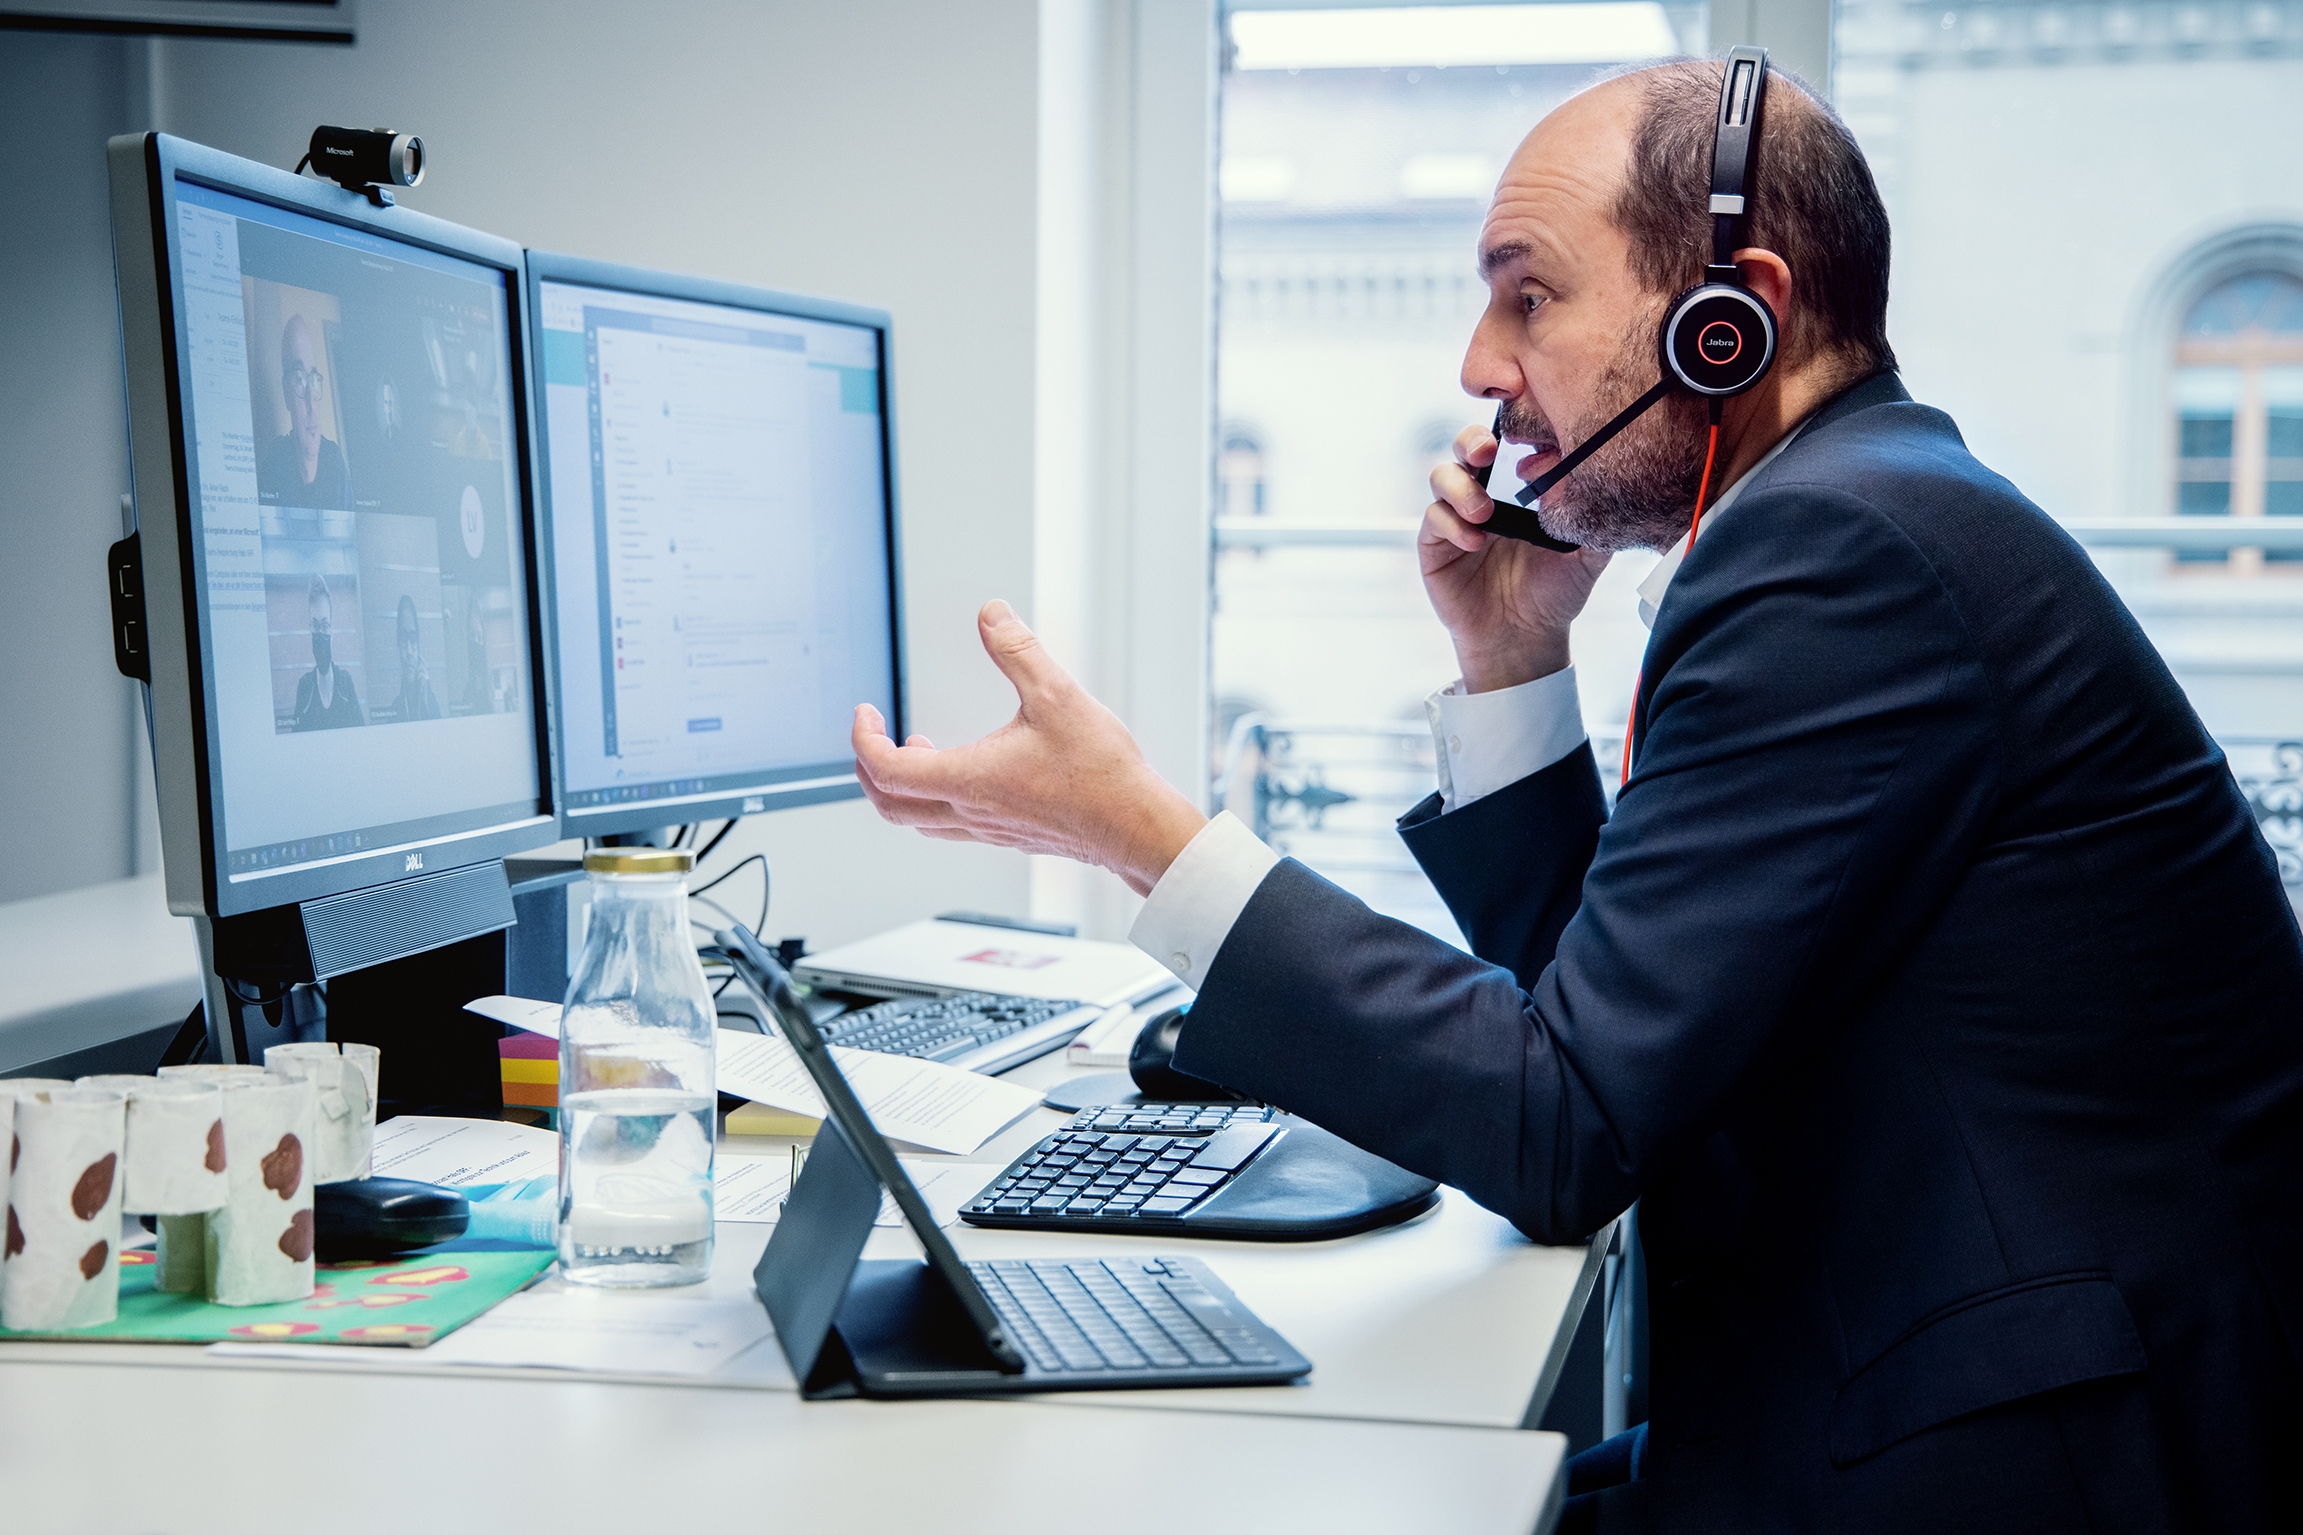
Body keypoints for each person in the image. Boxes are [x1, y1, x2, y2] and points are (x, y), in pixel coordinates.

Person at [847, 58, 2303, 1533]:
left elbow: (1565, 1126)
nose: (1480, 364)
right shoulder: (1862, 508)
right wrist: (1511, 651)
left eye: (1524, 294)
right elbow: (1616, 1045)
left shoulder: (1837, 555)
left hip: (2036, 1465)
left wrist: (1140, 835)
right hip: (1939, 1396)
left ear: (1728, 317)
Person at [256, 312, 353, 511]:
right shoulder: (275, 461)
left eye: (314, 379)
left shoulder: (334, 459)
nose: (311, 402)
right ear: (286, 393)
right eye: (299, 379)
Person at [292, 573, 363, 731]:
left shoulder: (345, 682)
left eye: (325, 625)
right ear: (310, 629)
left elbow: (361, 733)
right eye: (315, 626)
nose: (320, 632)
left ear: (331, 630)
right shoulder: (304, 686)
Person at [382, 594, 441, 722]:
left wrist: (427, 699)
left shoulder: (431, 702)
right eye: (403, 639)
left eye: (413, 639)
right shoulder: (395, 707)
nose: (409, 652)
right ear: (398, 644)